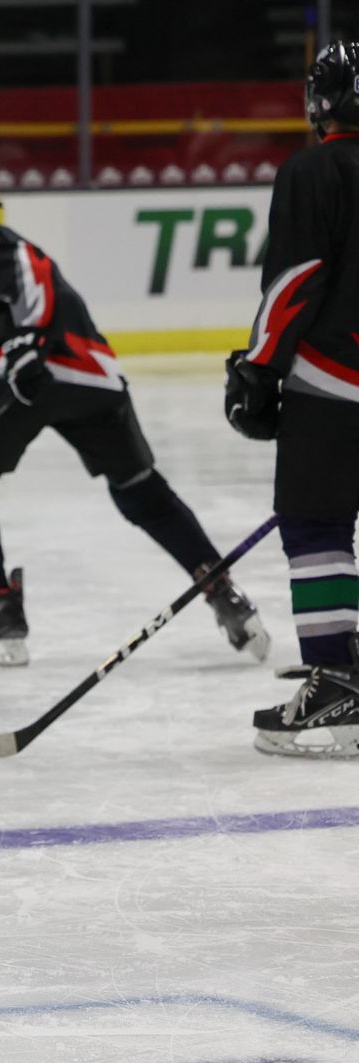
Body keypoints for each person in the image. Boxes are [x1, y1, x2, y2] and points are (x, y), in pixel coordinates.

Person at [0, 159, 266, 666]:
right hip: (90, 375)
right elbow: (3, 323)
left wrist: (29, 343)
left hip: (41, 374)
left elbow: (31, 273)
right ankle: (222, 588)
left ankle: (1, 608)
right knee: (139, 489)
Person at [224, 41, 359, 757]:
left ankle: (338, 684)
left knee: (316, 527)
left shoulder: (314, 170)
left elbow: (298, 280)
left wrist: (261, 369)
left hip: (336, 382)